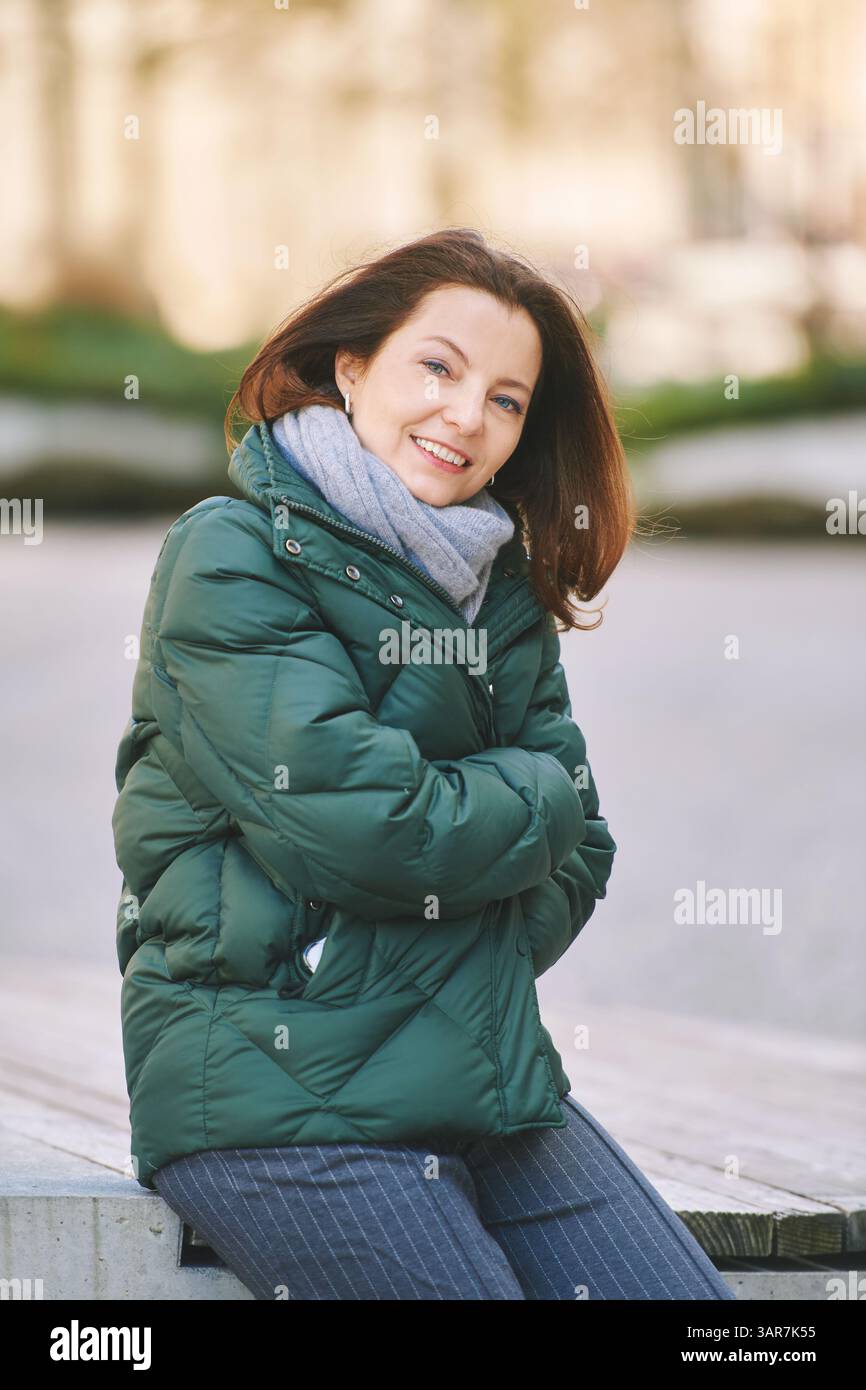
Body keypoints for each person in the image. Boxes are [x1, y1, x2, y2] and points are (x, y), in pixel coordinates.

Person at [112, 227, 735, 1300]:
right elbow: (367, 827)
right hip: (269, 1088)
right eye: (436, 367)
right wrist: (513, 808)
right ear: (352, 368)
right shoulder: (233, 552)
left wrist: (458, 927)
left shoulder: (499, 584)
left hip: (477, 1077)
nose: (465, 416)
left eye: (505, 398)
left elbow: (579, 843)